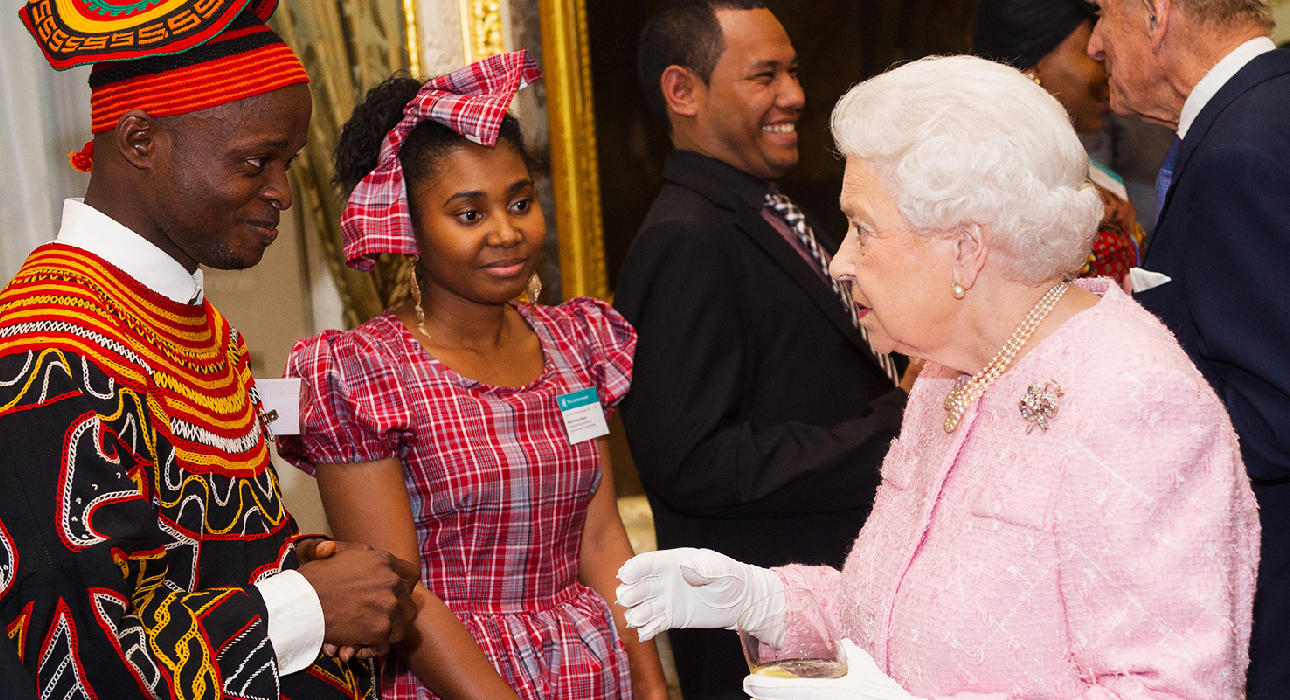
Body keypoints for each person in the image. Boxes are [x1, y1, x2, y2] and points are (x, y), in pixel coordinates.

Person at [617, 55, 1260, 700]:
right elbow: (897, 609)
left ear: (966, 248)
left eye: (862, 229)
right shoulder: (951, 374)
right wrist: (765, 601)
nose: (840, 262)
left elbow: (1175, 690)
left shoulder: (1134, 400)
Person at [0, 3, 420, 698]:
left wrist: (313, 563)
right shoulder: (46, 350)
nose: (283, 193)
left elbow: (206, 553)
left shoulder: (199, 327)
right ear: (140, 140)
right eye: (257, 161)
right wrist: (308, 604)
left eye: (288, 163)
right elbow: (85, 656)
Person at [276, 51, 668, 700]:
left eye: (519, 202)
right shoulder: (363, 374)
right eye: (469, 213)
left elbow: (600, 541)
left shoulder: (576, 342)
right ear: (410, 227)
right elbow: (399, 594)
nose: (506, 232)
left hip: (591, 669)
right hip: (453, 677)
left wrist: (651, 685)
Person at [614, 3, 911, 696]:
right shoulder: (682, 239)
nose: (796, 96)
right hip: (759, 638)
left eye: (795, 72)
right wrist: (892, 426)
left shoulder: (765, 207)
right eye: (765, 76)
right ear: (682, 91)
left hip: (826, 608)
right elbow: (692, 463)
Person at [1087, 1, 1290, 696]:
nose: (1091, 44)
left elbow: (1273, 418)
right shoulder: (1266, 108)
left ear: (1153, 14)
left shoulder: (1239, 152)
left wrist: (1094, 406)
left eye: (1099, 14)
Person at [973, 0, 1145, 282]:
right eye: (1091, 56)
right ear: (1033, 70)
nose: (1106, 72)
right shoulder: (987, 188)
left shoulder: (1093, 178)